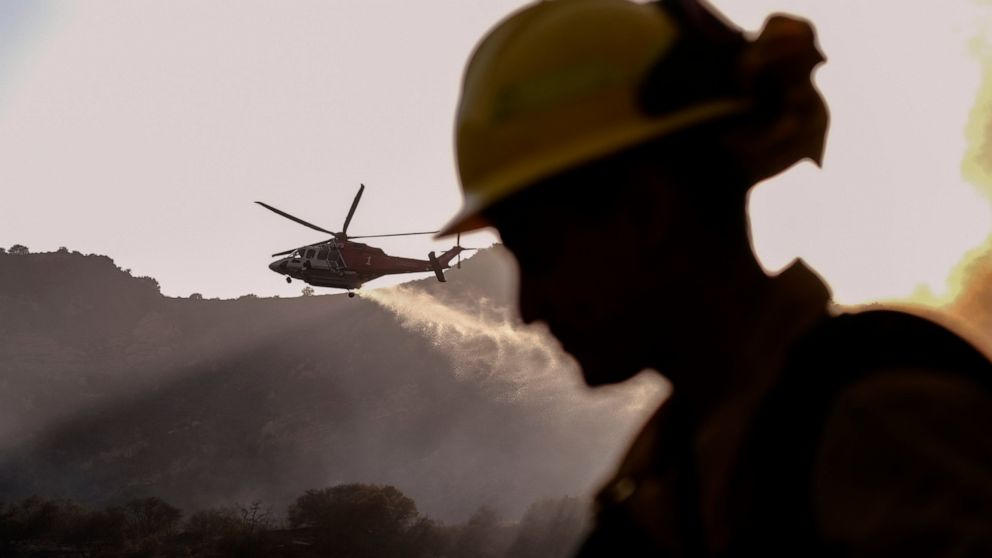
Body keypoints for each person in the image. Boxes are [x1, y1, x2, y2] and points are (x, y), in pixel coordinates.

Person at [439, 0, 992, 555]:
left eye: (540, 255)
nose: (527, 308)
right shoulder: (663, 482)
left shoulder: (879, 429)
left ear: (646, 211)